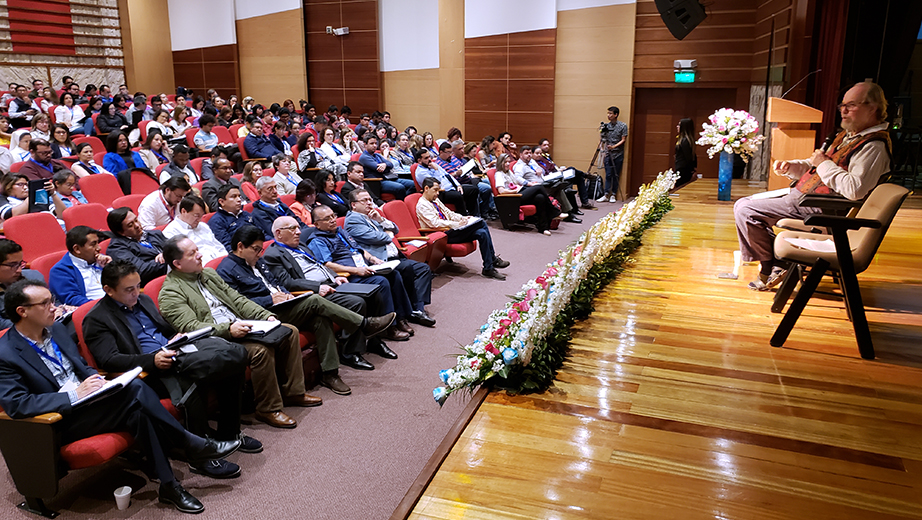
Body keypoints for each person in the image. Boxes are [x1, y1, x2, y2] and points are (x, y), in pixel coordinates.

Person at [0, 278, 242, 514]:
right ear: (22, 311)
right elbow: (17, 404)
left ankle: (171, 486)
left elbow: (81, 365)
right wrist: (74, 395)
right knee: (135, 391)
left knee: (138, 411)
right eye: (44, 303)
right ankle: (192, 443)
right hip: (60, 419)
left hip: (91, 402)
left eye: (51, 300)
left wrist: (99, 381)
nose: (54, 306)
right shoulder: (6, 353)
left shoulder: (55, 330)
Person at [84, 261, 258, 479]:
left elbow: (163, 329)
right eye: (129, 289)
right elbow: (110, 360)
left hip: (175, 352)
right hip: (148, 372)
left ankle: (229, 432)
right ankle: (200, 457)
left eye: (138, 286)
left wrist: (175, 338)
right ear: (108, 290)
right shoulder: (97, 319)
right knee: (195, 379)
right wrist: (152, 360)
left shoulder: (144, 300)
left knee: (233, 364)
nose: (136, 293)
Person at [733, 81, 892, 291]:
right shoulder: (849, 136)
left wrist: (823, 163)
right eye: (841, 105)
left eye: (851, 105)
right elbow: (816, 166)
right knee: (744, 205)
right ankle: (775, 263)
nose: (843, 111)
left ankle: (772, 264)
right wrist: (791, 166)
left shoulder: (873, 146)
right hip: (807, 197)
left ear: (873, 108)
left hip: (824, 208)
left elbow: (855, 189)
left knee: (746, 209)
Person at [158, 236, 321, 429]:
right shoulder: (170, 292)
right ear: (177, 263)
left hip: (240, 326)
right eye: (192, 253)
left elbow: (238, 300)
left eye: (197, 249)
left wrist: (265, 315)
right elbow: (191, 327)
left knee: (289, 331)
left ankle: (294, 392)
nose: (200, 255)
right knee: (260, 351)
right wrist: (228, 330)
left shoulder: (208, 274)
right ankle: (267, 408)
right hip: (215, 340)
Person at [217, 226, 395, 395]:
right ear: (240, 247)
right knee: (315, 300)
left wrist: (286, 295)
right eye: (256, 249)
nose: (259, 254)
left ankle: (330, 373)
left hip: (284, 305)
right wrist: (269, 299)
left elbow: (278, 283)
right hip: (264, 315)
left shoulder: (259, 261)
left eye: (260, 250)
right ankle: (363, 324)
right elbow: (237, 305)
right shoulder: (227, 270)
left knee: (320, 319)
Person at [261, 216, 395, 370]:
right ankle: (350, 353)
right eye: (292, 229)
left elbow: (321, 265)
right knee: (357, 302)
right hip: (313, 292)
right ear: (278, 233)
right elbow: (288, 283)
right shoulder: (272, 255)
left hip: (331, 283)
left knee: (375, 291)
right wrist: (317, 287)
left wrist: (336, 276)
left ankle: (375, 341)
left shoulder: (301, 246)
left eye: (298, 227)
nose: (298, 232)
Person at [308, 205, 414, 340]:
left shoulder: (340, 232)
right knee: (381, 282)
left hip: (365, 268)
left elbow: (359, 250)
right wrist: (356, 270)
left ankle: (400, 318)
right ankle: (389, 328)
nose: (333, 220)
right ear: (317, 224)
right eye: (327, 218)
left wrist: (373, 259)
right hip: (349, 276)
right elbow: (327, 265)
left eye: (333, 216)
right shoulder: (317, 241)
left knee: (394, 274)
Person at [345, 188, 436, 327]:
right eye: (365, 200)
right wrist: (388, 233)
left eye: (370, 200)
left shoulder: (372, 215)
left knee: (423, 269)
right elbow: (380, 238)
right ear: (354, 205)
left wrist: (380, 220)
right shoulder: (352, 221)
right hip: (380, 261)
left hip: (395, 256)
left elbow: (395, 228)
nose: (369, 203)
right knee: (405, 269)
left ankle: (417, 309)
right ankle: (409, 311)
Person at [416, 177, 510, 280]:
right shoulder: (422, 205)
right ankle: (493, 259)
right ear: (426, 188)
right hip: (441, 235)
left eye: (438, 190)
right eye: (435, 190)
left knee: (482, 233)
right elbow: (435, 223)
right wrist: (457, 224)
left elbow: (449, 213)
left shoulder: (435, 200)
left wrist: (463, 218)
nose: (438, 193)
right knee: (481, 223)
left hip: (451, 231)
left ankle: (488, 267)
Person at [496, 153, 563, 235]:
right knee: (539, 187)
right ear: (500, 163)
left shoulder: (509, 172)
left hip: (519, 192)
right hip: (513, 198)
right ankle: (554, 211)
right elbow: (501, 191)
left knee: (540, 197)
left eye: (508, 162)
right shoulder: (499, 174)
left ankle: (543, 228)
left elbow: (517, 184)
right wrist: (515, 191)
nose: (507, 164)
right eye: (505, 162)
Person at [49, 226, 113, 306]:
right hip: (95, 311)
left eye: (98, 243)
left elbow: (123, 283)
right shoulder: (60, 271)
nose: (99, 248)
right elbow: (72, 300)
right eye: (93, 245)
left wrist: (111, 266)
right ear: (77, 249)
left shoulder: (101, 260)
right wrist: (106, 305)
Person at [106, 207, 169, 286]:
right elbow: (140, 271)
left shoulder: (155, 234)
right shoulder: (117, 248)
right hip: (155, 283)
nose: (137, 225)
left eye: (136, 220)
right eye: (130, 225)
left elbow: (176, 248)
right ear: (121, 232)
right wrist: (169, 257)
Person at [513, 145, 577, 221]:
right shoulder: (519, 166)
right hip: (534, 188)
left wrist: (539, 169)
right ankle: (566, 213)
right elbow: (517, 178)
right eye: (526, 153)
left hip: (544, 182)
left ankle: (567, 211)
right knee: (558, 189)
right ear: (521, 155)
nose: (529, 155)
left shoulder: (531, 162)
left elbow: (543, 170)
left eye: (530, 153)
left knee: (560, 183)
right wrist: (529, 183)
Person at [414, 147, 478, 216]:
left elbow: (448, 175)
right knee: (457, 196)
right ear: (419, 161)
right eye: (426, 158)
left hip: (452, 187)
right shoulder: (421, 173)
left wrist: (458, 185)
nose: (429, 159)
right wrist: (436, 170)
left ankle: (473, 215)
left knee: (473, 189)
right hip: (441, 192)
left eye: (429, 157)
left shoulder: (432, 165)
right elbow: (437, 185)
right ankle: (464, 217)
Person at [163, 195, 227, 263]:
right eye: (196, 216)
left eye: (201, 216)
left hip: (220, 261)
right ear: (183, 211)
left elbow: (218, 246)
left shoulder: (203, 226)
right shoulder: (170, 232)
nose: (199, 220)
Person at [535, 138, 594, 210]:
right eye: (544, 145)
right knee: (572, 169)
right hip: (553, 177)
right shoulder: (539, 159)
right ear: (540, 146)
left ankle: (585, 202)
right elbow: (548, 169)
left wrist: (559, 169)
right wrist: (558, 170)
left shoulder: (547, 156)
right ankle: (585, 175)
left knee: (579, 179)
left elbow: (553, 166)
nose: (547, 146)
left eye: (548, 145)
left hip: (557, 173)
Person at [0, 239, 46, 329]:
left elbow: (54, 301)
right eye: (12, 265)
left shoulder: (34, 276)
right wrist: (37, 321)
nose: (19, 270)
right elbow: (1, 325)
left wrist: (59, 309)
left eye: (20, 263)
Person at [359, 135, 414, 200]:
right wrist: (385, 166)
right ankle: (401, 204)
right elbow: (378, 169)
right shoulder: (364, 157)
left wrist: (385, 165)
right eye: (371, 143)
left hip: (389, 178)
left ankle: (406, 201)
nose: (374, 145)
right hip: (377, 182)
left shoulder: (377, 155)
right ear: (365, 145)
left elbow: (390, 164)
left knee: (412, 184)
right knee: (400, 187)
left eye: (375, 143)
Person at [598, 105, 628, 203]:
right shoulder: (606, 126)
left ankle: (613, 195)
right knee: (608, 174)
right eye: (608, 113)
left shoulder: (623, 126)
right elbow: (602, 139)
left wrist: (614, 146)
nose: (608, 115)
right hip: (607, 154)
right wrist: (602, 149)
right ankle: (606, 194)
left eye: (611, 113)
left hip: (618, 154)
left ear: (616, 115)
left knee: (616, 174)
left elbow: (623, 140)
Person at [674, 118, 698, 186]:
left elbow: (689, 157)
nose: (677, 126)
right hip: (682, 169)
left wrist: (692, 170)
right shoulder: (686, 140)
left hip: (683, 171)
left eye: (679, 125)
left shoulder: (685, 141)